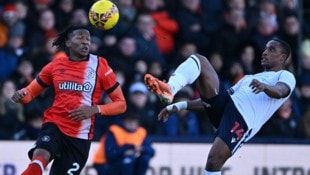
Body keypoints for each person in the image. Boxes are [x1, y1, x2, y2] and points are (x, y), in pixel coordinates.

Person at [143, 38, 296, 175]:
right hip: (226, 106)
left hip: (242, 120)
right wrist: (179, 106)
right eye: (265, 48)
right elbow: (216, 99)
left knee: (213, 161)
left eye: (271, 49)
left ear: (282, 57)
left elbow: (281, 91)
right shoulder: (249, 78)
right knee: (199, 59)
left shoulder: (285, 75)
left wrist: (265, 87)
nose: (264, 52)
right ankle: (171, 88)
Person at [11, 25, 127, 175]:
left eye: (88, 39)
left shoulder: (100, 66)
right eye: (80, 38)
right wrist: (21, 94)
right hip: (55, 124)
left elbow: (121, 104)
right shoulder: (55, 66)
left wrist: (96, 109)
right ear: (68, 42)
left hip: (80, 136)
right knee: (39, 158)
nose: (85, 42)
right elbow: (30, 93)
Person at [93, 111, 155, 175]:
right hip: (104, 164)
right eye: (130, 121)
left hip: (125, 163)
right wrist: (126, 150)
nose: (132, 124)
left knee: (144, 159)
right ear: (124, 121)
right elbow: (110, 155)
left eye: (134, 122)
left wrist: (141, 149)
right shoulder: (114, 131)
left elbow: (151, 151)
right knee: (127, 160)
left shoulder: (141, 132)